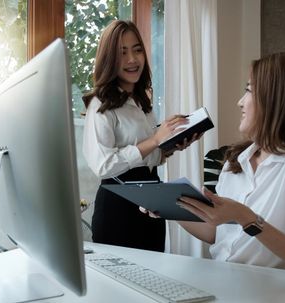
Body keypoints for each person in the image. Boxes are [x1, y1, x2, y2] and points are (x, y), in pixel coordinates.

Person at [170, 52, 285, 277]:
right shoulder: (237, 161)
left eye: (248, 90)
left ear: (277, 99)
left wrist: (247, 218)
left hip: (275, 297)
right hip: (225, 283)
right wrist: (169, 208)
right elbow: (217, 234)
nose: (240, 102)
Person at [82, 20, 198, 252]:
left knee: (153, 280)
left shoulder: (141, 102)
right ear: (109, 59)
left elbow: (148, 158)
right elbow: (103, 166)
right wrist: (155, 140)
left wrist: (170, 145)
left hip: (152, 204)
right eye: (122, 53)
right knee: (118, 284)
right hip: (117, 208)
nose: (132, 60)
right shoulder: (100, 105)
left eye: (137, 50)